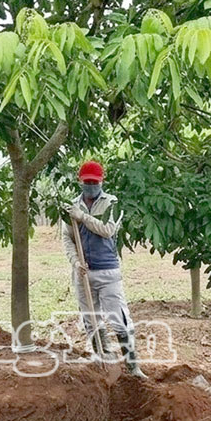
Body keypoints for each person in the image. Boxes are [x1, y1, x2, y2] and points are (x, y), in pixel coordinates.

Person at [62, 160, 146, 378]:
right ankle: (105, 361)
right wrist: (75, 261)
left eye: (94, 182)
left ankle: (133, 366)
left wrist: (83, 217)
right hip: (83, 272)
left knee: (119, 318)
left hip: (107, 270)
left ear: (102, 181)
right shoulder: (72, 206)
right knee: (90, 320)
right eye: (87, 182)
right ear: (80, 182)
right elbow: (68, 238)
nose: (91, 185)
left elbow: (107, 230)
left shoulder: (112, 203)